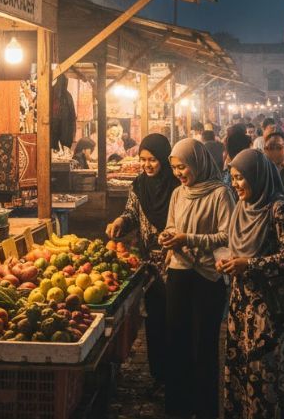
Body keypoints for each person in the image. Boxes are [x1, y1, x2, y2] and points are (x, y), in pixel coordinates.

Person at [218, 149, 284, 418]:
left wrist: (250, 264)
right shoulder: (242, 208)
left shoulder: (279, 209)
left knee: (267, 377)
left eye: (241, 178)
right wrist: (228, 261)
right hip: (241, 305)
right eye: (232, 178)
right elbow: (235, 246)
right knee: (244, 373)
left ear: (258, 177)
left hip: (270, 310)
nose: (236, 184)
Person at [160, 138, 235, 419]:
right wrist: (168, 237)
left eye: (183, 167)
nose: (179, 173)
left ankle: (204, 409)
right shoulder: (179, 193)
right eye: (175, 168)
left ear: (198, 163)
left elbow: (227, 235)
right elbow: (171, 225)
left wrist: (187, 238)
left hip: (207, 276)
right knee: (176, 341)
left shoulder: (220, 193)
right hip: (178, 273)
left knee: (204, 345)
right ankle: (179, 406)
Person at [105, 134, 179, 391]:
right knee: (156, 318)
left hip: (177, 263)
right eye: (143, 159)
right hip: (150, 266)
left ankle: (177, 374)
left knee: (176, 319)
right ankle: (159, 373)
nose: (147, 165)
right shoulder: (138, 185)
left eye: (153, 160)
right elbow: (131, 213)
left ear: (165, 160)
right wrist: (120, 222)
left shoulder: (178, 187)